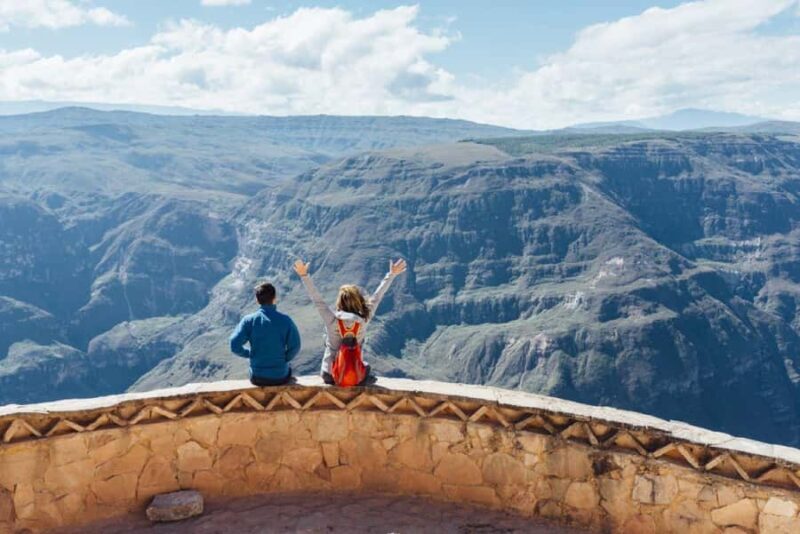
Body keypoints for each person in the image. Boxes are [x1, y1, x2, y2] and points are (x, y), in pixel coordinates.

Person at [293, 258, 407, 385]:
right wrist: (391, 275)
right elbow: (377, 296)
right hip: (354, 375)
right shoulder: (363, 320)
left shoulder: (332, 320)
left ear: (339, 301)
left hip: (330, 375)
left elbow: (317, 300)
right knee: (367, 368)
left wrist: (304, 275)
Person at [230, 282, 301, 386]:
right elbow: (295, 346)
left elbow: (234, 345)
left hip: (258, 377)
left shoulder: (249, 320)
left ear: (257, 300)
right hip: (280, 376)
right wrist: (284, 358)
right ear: (274, 297)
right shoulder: (286, 320)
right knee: (289, 370)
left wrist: (250, 354)